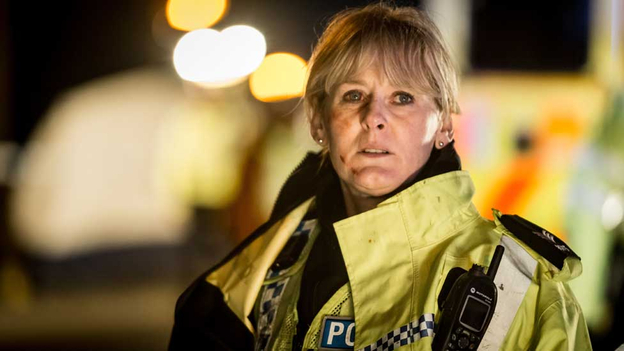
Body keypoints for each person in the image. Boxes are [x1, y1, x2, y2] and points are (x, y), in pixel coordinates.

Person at [169, 3, 591, 350]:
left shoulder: (528, 296)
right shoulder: (262, 272)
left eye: (402, 98)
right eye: (354, 96)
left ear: (445, 125)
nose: (374, 119)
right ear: (318, 121)